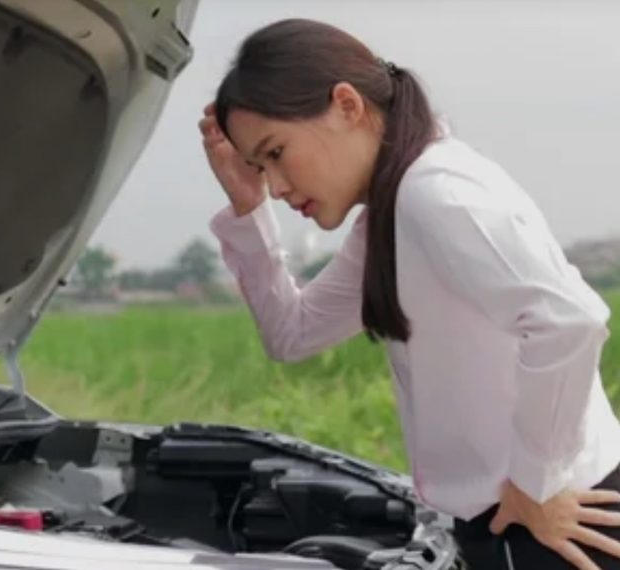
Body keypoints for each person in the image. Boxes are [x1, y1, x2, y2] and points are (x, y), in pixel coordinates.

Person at [200, 18, 620, 569]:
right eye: (260, 167)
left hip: (547, 525)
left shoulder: (435, 194)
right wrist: (247, 208)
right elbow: (292, 333)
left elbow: (570, 319)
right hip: (520, 524)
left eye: (276, 153)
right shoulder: (393, 211)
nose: (275, 187)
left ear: (346, 105)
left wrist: (535, 482)